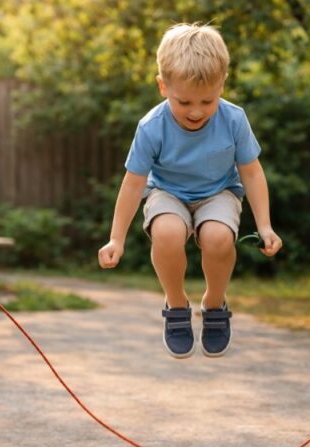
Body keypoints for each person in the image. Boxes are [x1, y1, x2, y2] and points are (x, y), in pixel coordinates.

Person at [97, 23, 282, 359]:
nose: (196, 111)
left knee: (218, 238)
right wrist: (116, 239)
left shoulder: (234, 120)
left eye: (207, 101)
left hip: (219, 193)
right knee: (167, 232)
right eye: (184, 101)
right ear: (162, 86)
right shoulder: (151, 127)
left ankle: (213, 303)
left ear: (222, 85)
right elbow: (133, 183)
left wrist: (265, 225)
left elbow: (252, 173)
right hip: (167, 192)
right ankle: (177, 303)